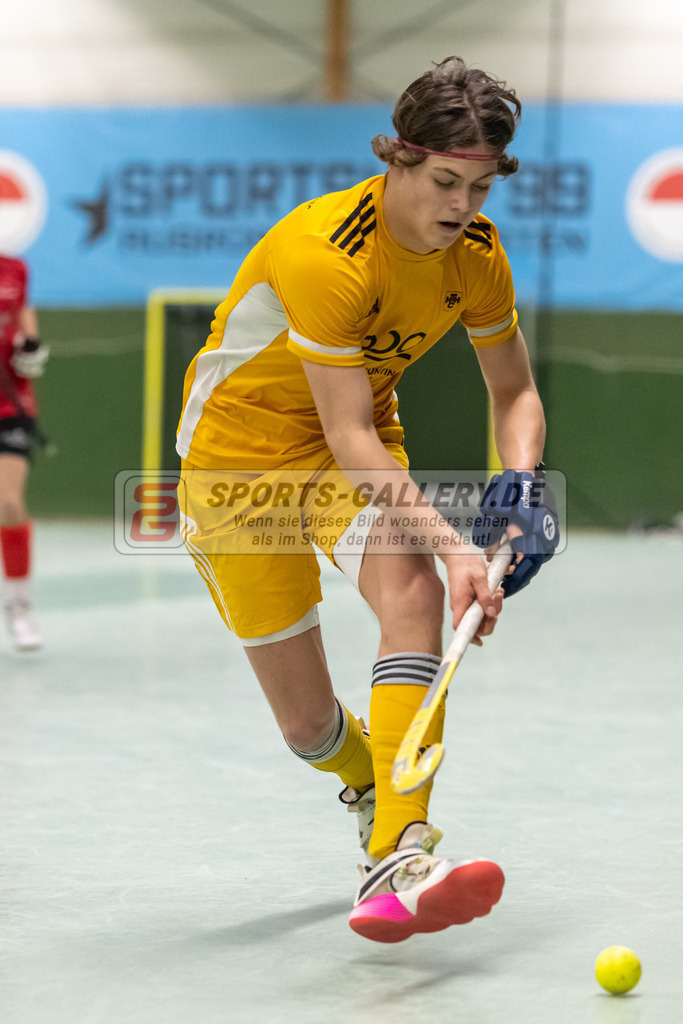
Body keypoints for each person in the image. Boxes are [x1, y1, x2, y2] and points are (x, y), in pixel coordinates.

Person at [176, 56, 558, 943]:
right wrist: (458, 546)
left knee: (413, 592)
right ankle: (363, 783)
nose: (461, 206)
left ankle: (397, 850)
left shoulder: (476, 255)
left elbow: (514, 392)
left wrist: (521, 483)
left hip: (345, 457)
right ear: (397, 158)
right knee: (308, 727)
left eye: (479, 186)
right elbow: (346, 433)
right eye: (443, 182)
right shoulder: (325, 253)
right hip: (238, 467)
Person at [0, 253, 49, 651]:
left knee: (9, 501)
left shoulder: (14, 269)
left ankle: (19, 609)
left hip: (10, 406)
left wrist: (29, 345)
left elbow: (24, 315)